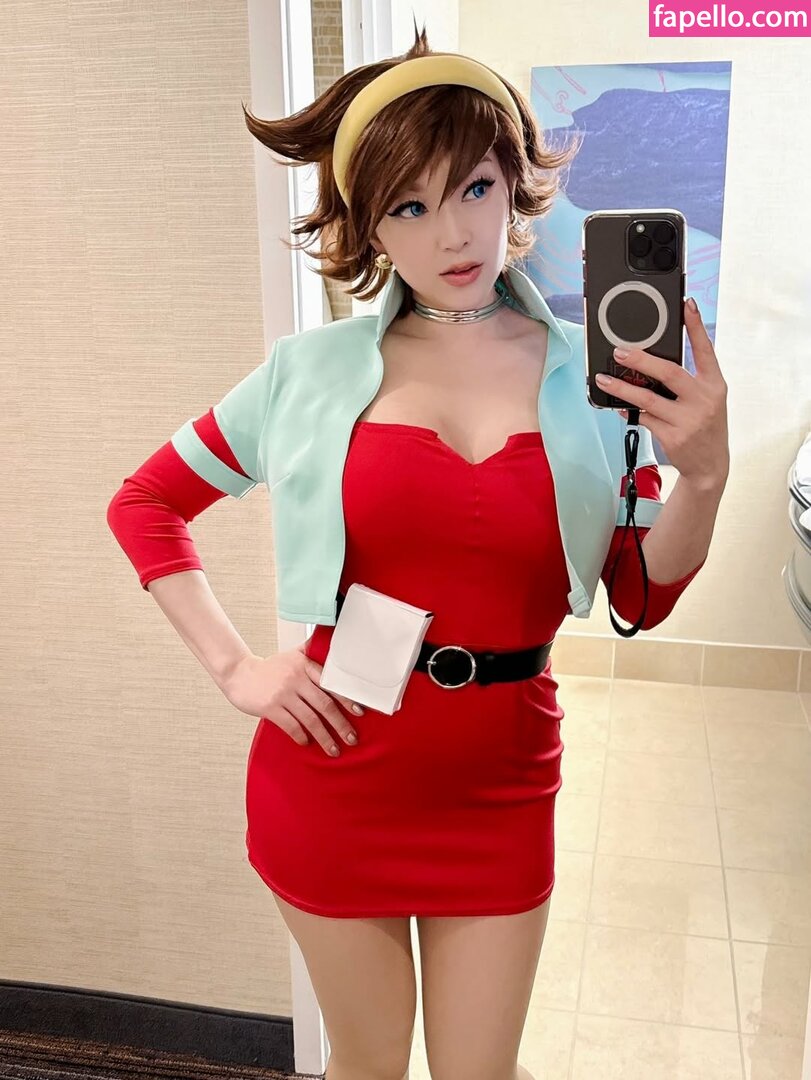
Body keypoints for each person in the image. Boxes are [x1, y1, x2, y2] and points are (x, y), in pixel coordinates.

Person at [107, 20, 708, 1080]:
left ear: (513, 184)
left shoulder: (596, 373)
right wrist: (237, 668)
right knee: (369, 1066)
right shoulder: (307, 374)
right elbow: (146, 504)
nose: (453, 234)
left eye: (473, 187)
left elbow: (639, 592)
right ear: (370, 226)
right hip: (335, 772)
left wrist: (701, 475)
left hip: (502, 778)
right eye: (408, 206)